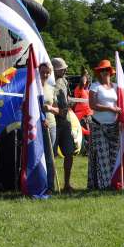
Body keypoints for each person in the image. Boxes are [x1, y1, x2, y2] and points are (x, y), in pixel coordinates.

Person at [87, 59, 121, 190]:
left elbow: (121, 104)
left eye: (107, 70)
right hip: (98, 126)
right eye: (102, 70)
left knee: (113, 156)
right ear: (99, 73)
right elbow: (92, 105)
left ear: (110, 72)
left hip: (114, 126)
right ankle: (104, 185)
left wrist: (120, 118)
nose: (105, 72)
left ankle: (111, 182)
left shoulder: (116, 87)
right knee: (103, 157)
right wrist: (111, 109)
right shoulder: (95, 86)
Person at [52, 57, 75, 193]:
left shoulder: (64, 81)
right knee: (52, 155)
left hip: (65, 122)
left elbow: (66, 99)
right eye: (62, 68)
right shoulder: (48, 83)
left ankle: (67, 184)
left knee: (69, 153)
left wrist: (69, 105)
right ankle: (52, 184)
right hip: (54, 122)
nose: (65, 70)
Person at [39, 62, 58, 193]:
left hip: (50, 125)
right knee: (39, 156)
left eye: (47, 72)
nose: (45, 74)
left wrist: (50, 108)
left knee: (50, 158)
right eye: (42, 72)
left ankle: (50, 187)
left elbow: (59, 110)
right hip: (36, 126)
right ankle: (40, 184)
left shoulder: (51, 88)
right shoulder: (33, 87)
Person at [73, 70, 93, 148]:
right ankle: (84, 149)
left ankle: (88, 149)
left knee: (90, 135)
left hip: (89, 116)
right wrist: (84, 75)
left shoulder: (88, 91)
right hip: (81, 117)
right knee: (83, 134)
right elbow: (82, 82)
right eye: (87, 80)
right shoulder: (79, 89)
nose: (88, 81)